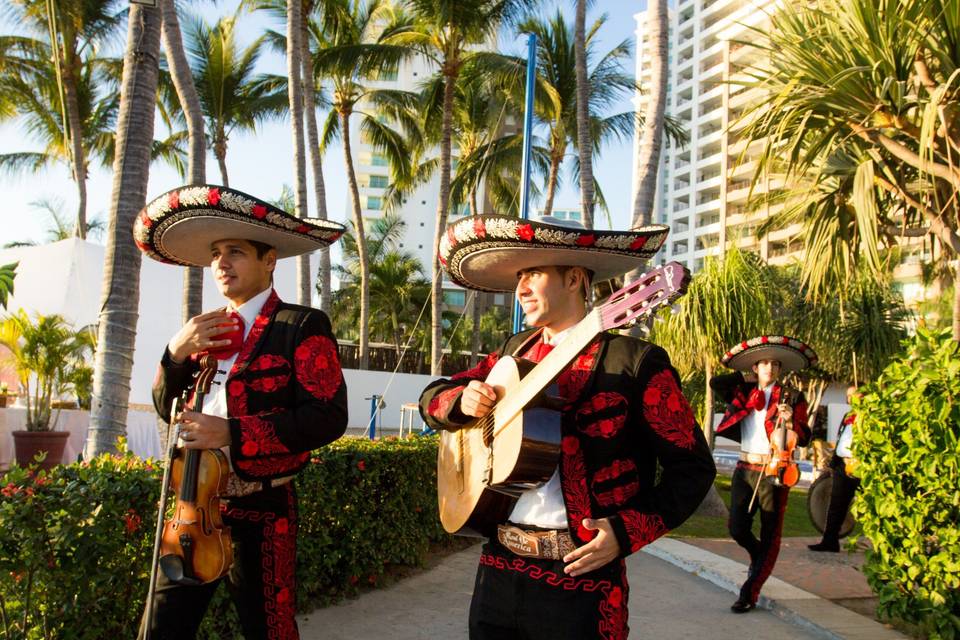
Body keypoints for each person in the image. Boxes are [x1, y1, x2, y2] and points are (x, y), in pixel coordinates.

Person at [419, 214, 716, 639]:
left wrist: (625, 532)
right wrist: (460, 401)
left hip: (583, 579)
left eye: (533, 274)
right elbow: (437, 395)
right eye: (520, 275)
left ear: (575, 278)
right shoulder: (512, 353)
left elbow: (692, 468)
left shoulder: (634, 363)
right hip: (498, 570)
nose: (520, 288)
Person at [133, 185, 348, 639]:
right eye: (215, 254)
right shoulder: (202, 331)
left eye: (235, 252)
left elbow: (328, 417)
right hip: (191, 507)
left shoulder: (301, 325)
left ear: (269, 260)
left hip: (264, 508)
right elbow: (163, 404)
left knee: (267, 629)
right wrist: (175, 352)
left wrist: (231, 431)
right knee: (162, 628)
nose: (221, 264)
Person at [710, 335, 818, 613]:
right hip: (744, 468)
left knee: (771, 534)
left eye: (775, 364)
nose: (770, 368)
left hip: (776, 470)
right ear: (756, 368)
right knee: (737, 527)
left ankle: (749, 592)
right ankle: (760, 557)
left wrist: (791, 418)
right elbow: (716, 383)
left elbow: (804, 437)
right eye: (764, 363)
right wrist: (745, 374)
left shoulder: (792, 397)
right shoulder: (743, 393)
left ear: (780, 369)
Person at [809, 384, 859, 552]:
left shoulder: (869, 417)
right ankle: (830, 541)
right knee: (836, 504)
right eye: (848, 395)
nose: (850, 398)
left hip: (860, 467)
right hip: (842, 466)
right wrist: (834, 463)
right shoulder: (847, 415)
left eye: (854, 395)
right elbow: (841, 439)